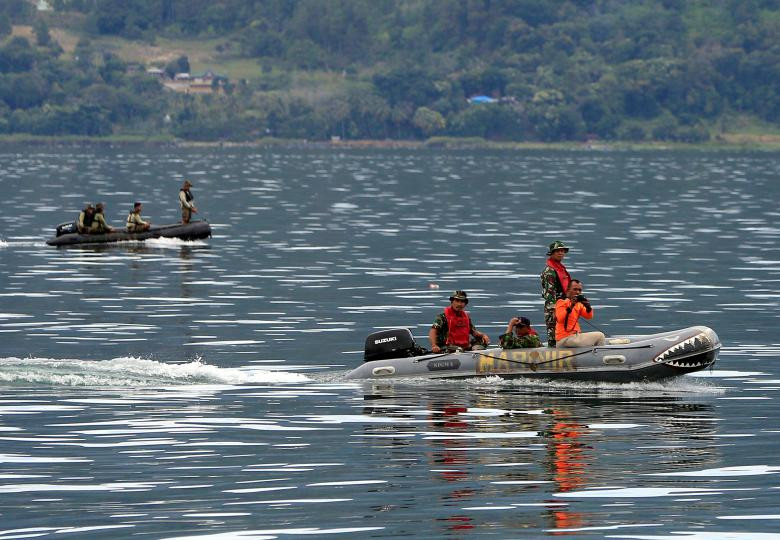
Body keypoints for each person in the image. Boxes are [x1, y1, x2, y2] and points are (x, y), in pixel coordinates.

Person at [555, 279, 605, 348]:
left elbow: (589, 316)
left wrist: (588, 307)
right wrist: (571, 306)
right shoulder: (561, 302)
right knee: (600, 336)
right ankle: (598, 356)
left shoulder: (578, 304)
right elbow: (560, 318)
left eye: (579, 290)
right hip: (564, 339)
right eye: (575, 289)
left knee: (598, 336)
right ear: (568, 290)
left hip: (574, 337)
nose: (577, 292)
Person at [541, 240, 572, 347]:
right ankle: (552, 354)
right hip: (553, 307)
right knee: (553, 335)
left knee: (565, 331)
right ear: (552, 253)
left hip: (563, 305)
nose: (561, 253)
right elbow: (550, 293)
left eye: (562, 251)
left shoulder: (560, 268)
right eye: (558, 251)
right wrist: (553, 310)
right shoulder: (550, 271)